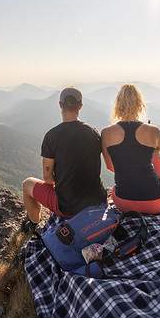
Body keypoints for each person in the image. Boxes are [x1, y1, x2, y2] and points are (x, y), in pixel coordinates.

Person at [22, 87, 107, 223]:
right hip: (98, 202)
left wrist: (63, 182)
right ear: (80, 106)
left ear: (60, 105)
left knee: (27, 184)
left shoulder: (52, 136)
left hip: (68, 207)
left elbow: (47, 177)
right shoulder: (93, 133)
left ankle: (34, 225)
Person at [101, 84, 160, 214]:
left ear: (117, 106)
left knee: (116, 186)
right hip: (157, 202)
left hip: (123, 202)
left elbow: (111, 167)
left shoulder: (106, 133)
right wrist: (150, 144)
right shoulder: (153, 130)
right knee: (155, 152)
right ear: (140, 105)